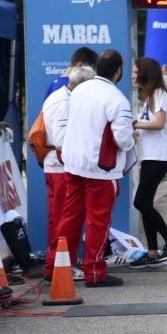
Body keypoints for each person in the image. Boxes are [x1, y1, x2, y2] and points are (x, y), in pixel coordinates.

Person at [51, 49, 134, 287]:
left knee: (70, 217)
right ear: (119, 71)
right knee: (98, 221)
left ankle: (61, 265)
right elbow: (124, 140)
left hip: (73, 164)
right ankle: (95, 271)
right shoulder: (117, 99)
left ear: (96, 67)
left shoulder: (79, 90)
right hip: (101, 170)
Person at [41, 63, 96, 282]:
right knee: (65, 219)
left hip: (58, 167)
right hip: (61, 168)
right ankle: (59, 265)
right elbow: (62, 140)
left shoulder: (62, 97)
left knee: (60, 219)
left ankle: (57, 263)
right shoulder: (64, 102)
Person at [129, 57, 167, 268]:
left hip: (159, 156)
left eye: (136, 72)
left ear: (146, 73)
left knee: (140, 202)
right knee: (146, 204)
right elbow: (150, 124)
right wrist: (136, 130)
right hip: (151, 155)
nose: (133, 76)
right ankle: (152, 252)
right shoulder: (148, 97)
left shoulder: (159, 94)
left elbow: (159, 123)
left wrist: (136, 124)